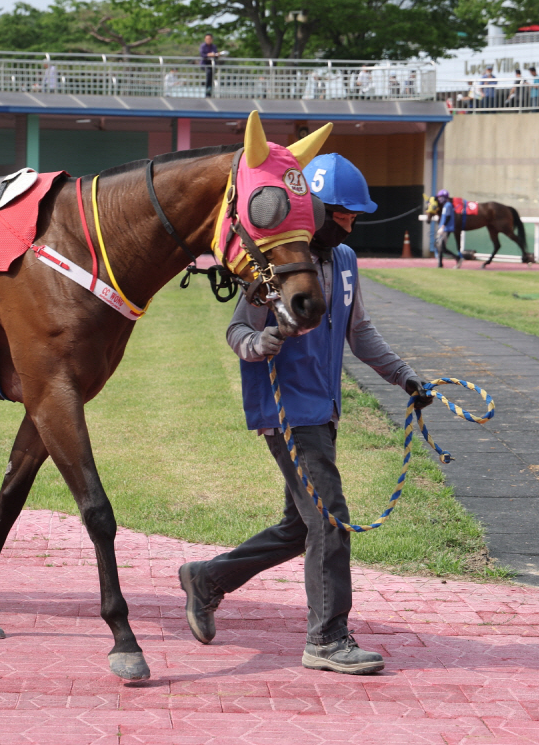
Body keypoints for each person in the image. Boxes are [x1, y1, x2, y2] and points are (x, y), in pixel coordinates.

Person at [177, 153, 434, 676]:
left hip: (324, 409)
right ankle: (328, 638)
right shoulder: (274, 267)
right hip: (289, 412)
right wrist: (260, 342)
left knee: (302, 528)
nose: (351, 223)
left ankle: (207, 579)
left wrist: (405, 377)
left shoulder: (344, 262)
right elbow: (237, 332)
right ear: (312, 209)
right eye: (343, 213)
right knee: (330, 520)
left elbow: (359, 333)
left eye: (354, 215)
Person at [434, 188, 463, 268]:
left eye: (440, 197)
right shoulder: (445, 205)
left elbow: (447, 217)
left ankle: (457, 258)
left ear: (444, 197)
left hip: (446, 229)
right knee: (438, 246)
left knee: (442, 248)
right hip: (443, 228)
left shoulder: (448, 205)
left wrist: (442, 227)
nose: (439, 199)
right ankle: (440, 264)